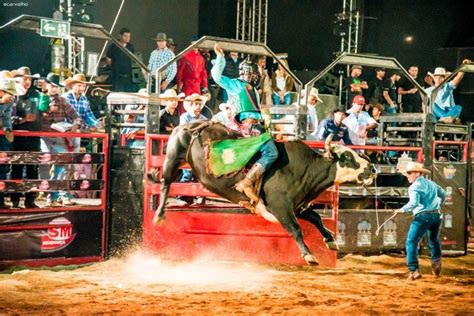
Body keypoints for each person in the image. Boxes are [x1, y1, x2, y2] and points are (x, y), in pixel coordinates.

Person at [212, 43, 278, 203]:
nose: (257, 76)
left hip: (257, 124)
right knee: (272, 153)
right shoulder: (235, 85)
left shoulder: (253, 89)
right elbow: (217, 77)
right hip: (248, 127)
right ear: (248, 73)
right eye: (255, 73)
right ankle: (247, 183)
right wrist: (220, 57)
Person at [395, 161, 446, 281]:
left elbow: (414, 203)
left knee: (411, 241)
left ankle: (414, 270)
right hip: (436, 216)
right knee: (434, 240)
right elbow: (443, 194)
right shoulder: (432, 183)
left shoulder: (414, 187)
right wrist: (439, 204)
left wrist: (401, 210)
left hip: (423, 216)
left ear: (418, 173)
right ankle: (436, 263)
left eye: (409, 173)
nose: (407, 175)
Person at [39, 72, 82, 207]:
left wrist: (75, 125)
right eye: (52, 86)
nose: (54, 89)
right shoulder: (40, 98)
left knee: (61, 165)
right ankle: (49, 194)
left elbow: (76, 116)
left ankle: (57, 194)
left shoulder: (63, 101)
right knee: (46, 165)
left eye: (56, 87)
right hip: (44, 137)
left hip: (58, 137)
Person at [11, 67, 42, 208]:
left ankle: (30, 199)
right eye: (25, 78)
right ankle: (15, 199)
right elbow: (8, 118)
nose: (27, 81)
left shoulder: (36, 94)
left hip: (34, 136)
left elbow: (42, 110)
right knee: (17, 168)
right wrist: (23, 120)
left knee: (33, 169)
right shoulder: (13, 94)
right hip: (18, 137)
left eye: (29, 79)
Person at [0, 71, 26, 208]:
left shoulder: (8, 101)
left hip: (2, 136)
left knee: (3, 167)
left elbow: (6, 117)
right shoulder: (5, 100)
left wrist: (8, 129)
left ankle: (1, 200)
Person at [425, 59, 471, 124]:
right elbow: (424, 104)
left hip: (449, 112)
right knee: (431, 105)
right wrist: (425, 119)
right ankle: (447, 120)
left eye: (441, 77)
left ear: (444, 78)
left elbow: (458, 78)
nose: (438, 79)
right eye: (436, 77)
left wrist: (464, 66)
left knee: (458, 107)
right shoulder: (428, 90)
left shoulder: (447, 86)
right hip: (436, 114)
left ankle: (444, 120)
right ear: (434, 78)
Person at [176, 44, 209, 114]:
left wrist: (205, 86)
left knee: (197, 102)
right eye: (194, 45)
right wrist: (179, 84)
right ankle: (183, 119)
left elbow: (203, 73)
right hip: (187, 83)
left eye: (197, 45)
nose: (195, 47)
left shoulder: (201, 58)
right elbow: (180, 72)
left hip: (197, 85)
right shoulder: (185, 56)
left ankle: (194, 120)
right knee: (185, 102)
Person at [106, 27, 135, 92]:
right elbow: (108, 59)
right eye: (125, 36)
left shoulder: (131, 47)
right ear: (120, 36)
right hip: (117, 77)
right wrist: (115, 67)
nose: (127, 38)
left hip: (128, 77)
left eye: (129, 36)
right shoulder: (113, 46)